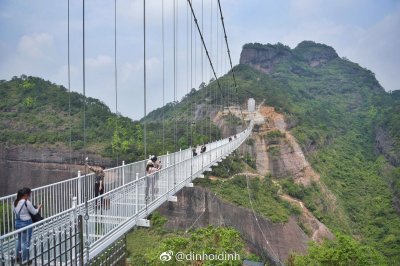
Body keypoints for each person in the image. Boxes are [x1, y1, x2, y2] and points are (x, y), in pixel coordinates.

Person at [13, 187, 42, 264]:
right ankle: (25, 260)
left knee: (19, 240)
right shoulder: (26, 202)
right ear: (25, 195)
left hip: (17, 223)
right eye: (29, 195)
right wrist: (38, 207)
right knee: (26, 243)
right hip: (26, 224)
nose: (29, 196)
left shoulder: (15, 202)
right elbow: (34, 212)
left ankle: (18, 257)